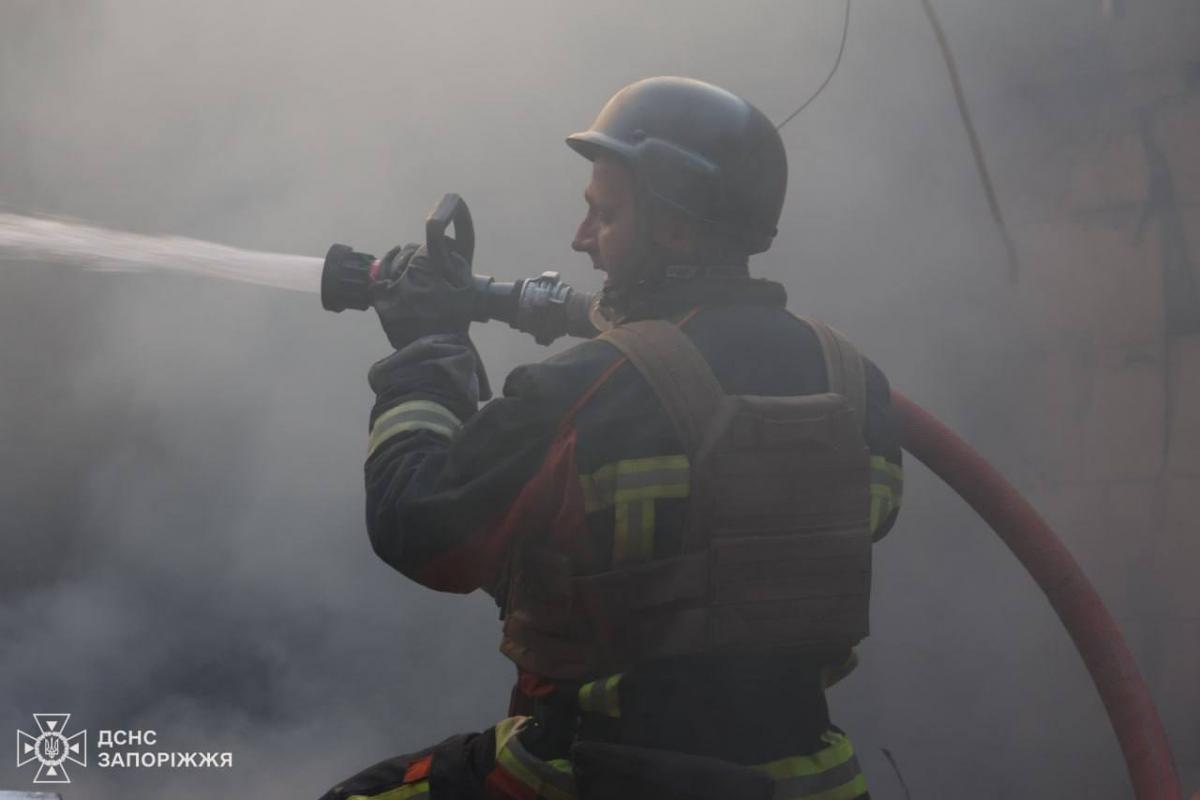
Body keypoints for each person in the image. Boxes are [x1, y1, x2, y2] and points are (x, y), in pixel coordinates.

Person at [320, 76, 903, 800]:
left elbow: (417, 527)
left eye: (607, 214)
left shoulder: (588, 391)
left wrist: (428, 351)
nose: (580, 238)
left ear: (677, 230)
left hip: (595, 773)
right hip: (812, 779)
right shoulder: (856, 384)